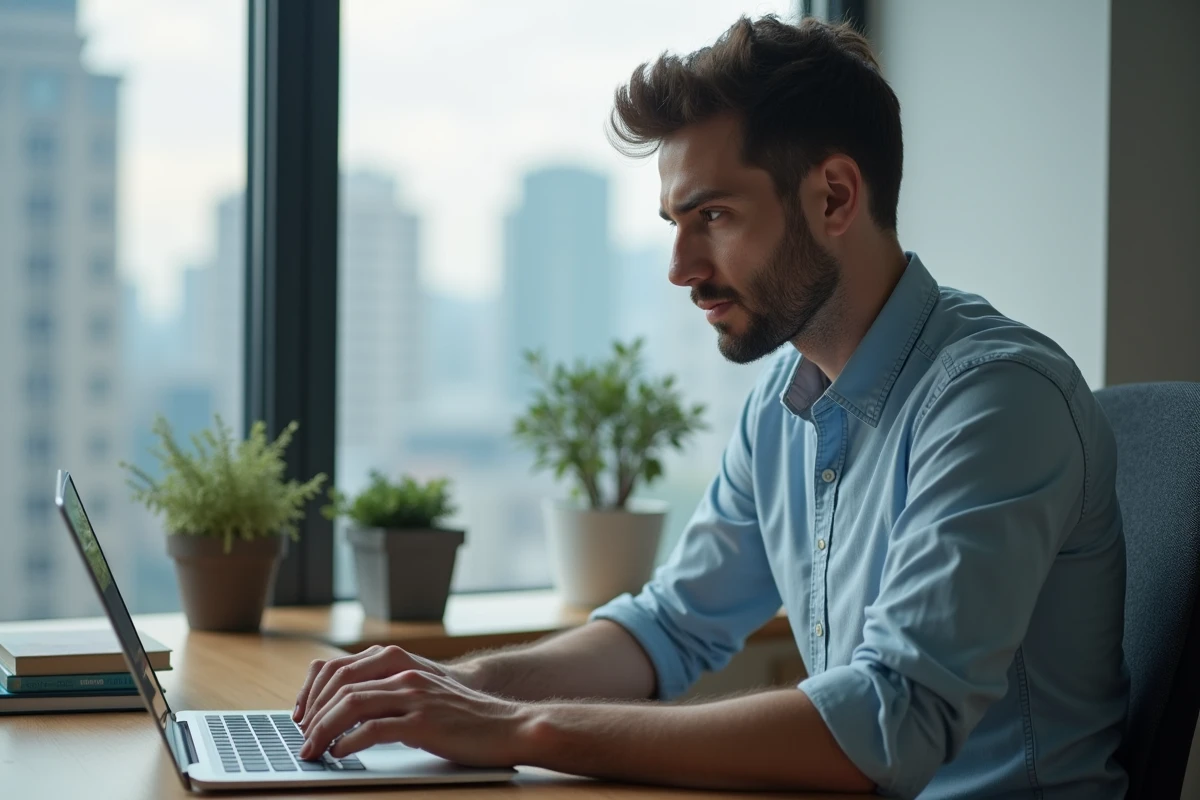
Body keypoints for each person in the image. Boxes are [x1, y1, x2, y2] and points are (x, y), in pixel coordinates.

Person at [294, 15, 1129, 798]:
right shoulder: (782, 405)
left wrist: (521, 728)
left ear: (835, 197)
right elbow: (671, 626)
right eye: (673, 222)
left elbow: (891, 722)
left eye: (714, 216)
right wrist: (453, 686)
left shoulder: (996, 399)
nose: (680, 265)